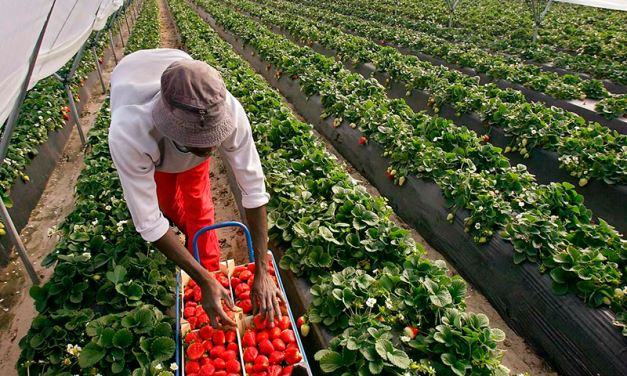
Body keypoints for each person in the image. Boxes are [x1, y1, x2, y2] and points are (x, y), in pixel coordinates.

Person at [108, 49, 284, 328]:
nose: (209, 150)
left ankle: (209, 262)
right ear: (169, 127)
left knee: (199, 203)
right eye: (196, 143)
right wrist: (198, 278)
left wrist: (263, 271)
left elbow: (253, 188)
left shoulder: (227, 109)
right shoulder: (129, 132)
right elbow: (149, 221)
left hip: (178, 74)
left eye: (213, 140)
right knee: (165, 203)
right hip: (133, 85)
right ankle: (197, 254)